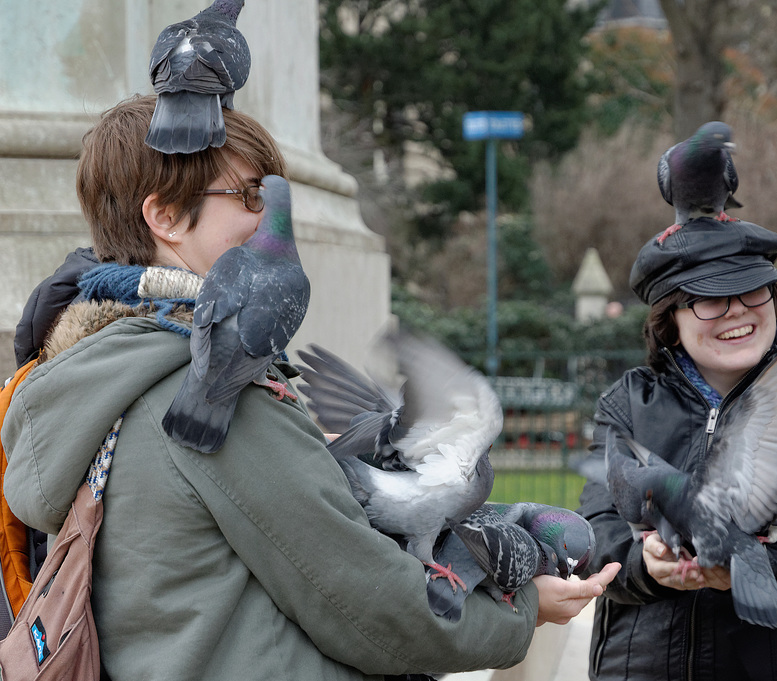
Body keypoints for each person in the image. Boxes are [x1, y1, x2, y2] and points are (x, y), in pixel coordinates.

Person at [0, 94, 619, 681]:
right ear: (164, 216)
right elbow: (367, 602)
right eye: (246, 195)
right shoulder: (215, 397)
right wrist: (522, 609)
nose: (269, 217)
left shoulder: (90, 376)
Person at [576, 218, 777, 681]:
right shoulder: (627, 403)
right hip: (642, 667)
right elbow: (597, 533)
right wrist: (645, 565)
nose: (738, 310)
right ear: (670, 322)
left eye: (754, 291)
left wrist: (750, 568)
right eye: (710, 298)